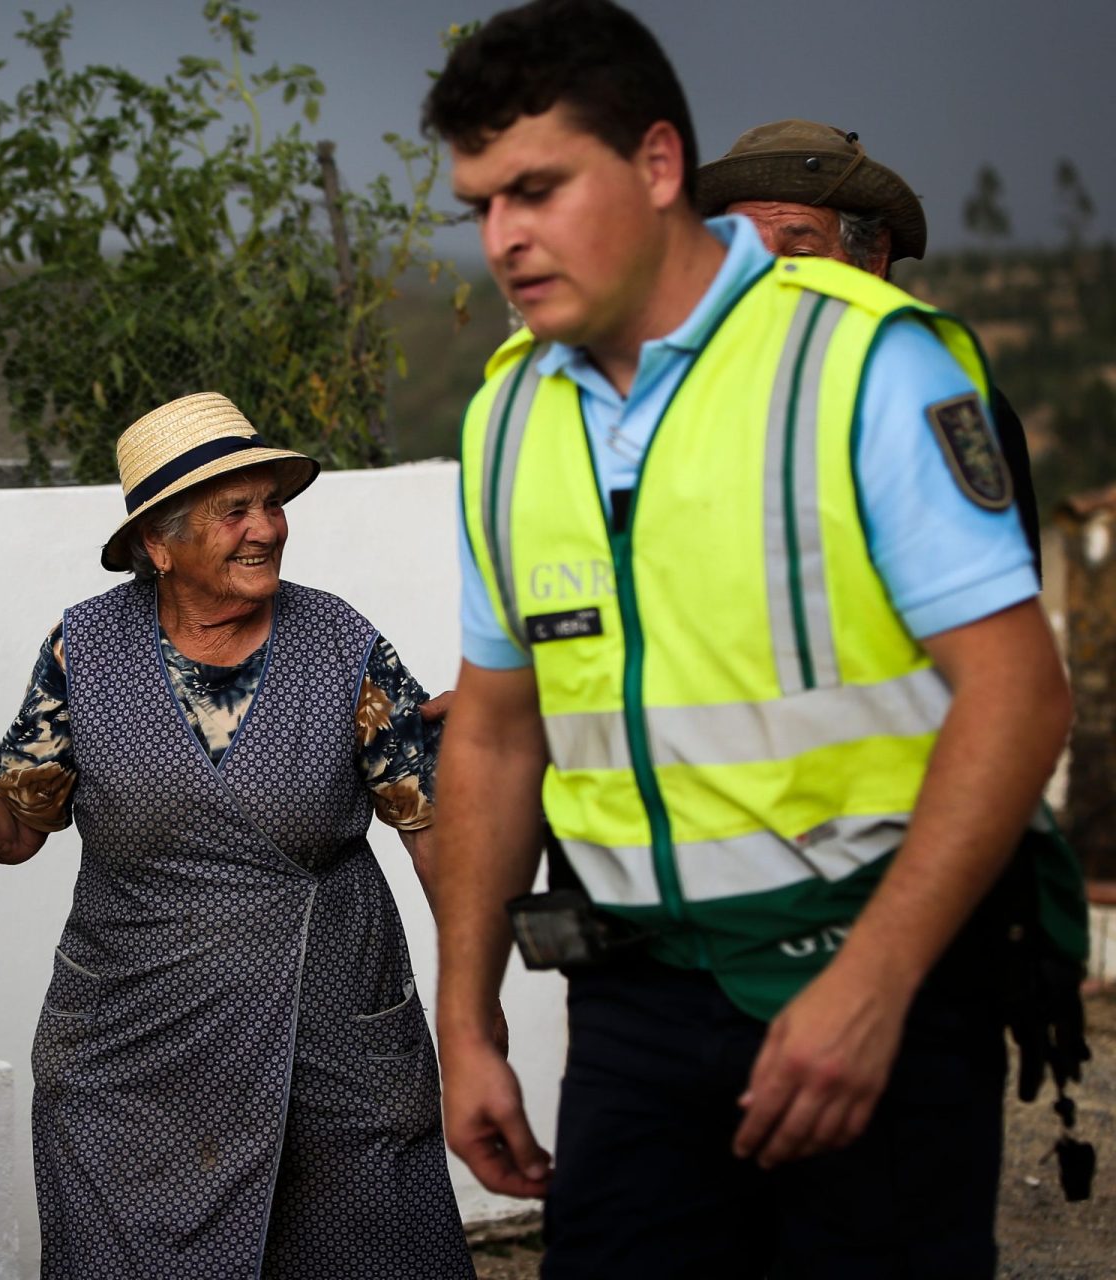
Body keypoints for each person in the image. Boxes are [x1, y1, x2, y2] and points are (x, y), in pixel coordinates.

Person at [420, 2, 1084, 1275]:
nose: (505, 238)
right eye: (481, 205)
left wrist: (875, 983)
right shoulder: (508, 418)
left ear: (659, 165)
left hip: (868, 978)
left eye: (539, 190)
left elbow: (1020, 695)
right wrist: (468, 1023)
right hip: (632, 1007)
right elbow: (497, 738)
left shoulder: (871, 365)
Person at [0, 392, 474, 1279]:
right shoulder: (88, 647)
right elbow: (23, 815)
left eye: (272, 503)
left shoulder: (340, 642)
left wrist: (470, 1004)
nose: (267, 528)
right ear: (158, 542)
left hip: (328, 1046)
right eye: (235, 511)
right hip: (130, 1058)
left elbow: (435, 825)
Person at [697, 117, 1043, 572]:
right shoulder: (676, 402)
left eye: (801, 256)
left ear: (872, 259)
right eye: (743, 256)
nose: (766, 280)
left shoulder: (940, 412)